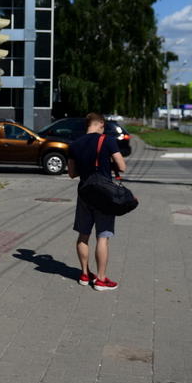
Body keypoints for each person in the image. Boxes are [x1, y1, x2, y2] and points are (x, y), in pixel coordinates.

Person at [67, 112, 127, 291]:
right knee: (103, 236)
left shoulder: (74, 144)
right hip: (104, 194)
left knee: (83, 235)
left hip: (84, 193)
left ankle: (85, 274)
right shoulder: (107, 140)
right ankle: (101, 279)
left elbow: (71, 173)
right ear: (100, 123)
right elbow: (122, 166)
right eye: (104, 125)